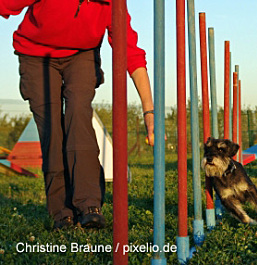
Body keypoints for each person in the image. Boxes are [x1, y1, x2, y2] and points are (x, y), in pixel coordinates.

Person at [0, 0, 155, 229]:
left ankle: (89, 204)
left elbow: (130, 52)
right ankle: (62, 212)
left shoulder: (112, 3)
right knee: (51, 130)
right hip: (36, 55)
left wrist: (149, 110)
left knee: (79, 115)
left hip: (82, 55)